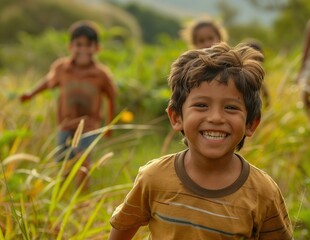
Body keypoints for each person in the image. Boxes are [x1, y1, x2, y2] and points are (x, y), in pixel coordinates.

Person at [109, 42, 292, 239]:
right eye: (201, 105)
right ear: (176, 117)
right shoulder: (154, 178)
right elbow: (121, 231)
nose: (215, 117)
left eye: (230, 107)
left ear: (251, 124)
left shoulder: (263, 192)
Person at [20, 20, 117, 191]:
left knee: (83, 160)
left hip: (89, 125)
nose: (83, 50)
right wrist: (31, 94)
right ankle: (62, 194)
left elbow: (111, 98)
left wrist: (109, 125)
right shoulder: (61, 69)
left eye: (89, 45)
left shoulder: (101, 75)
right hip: (65, 123)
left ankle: (81, 196)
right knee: (63, 160)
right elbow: (47, 82)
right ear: (70, 46)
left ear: (97, 48)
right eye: (79, 45)